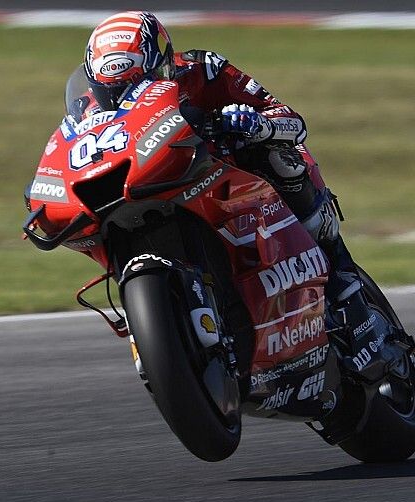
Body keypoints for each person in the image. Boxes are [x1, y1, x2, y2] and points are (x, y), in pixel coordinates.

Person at [82, 11, 373, 344]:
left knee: (280, 158)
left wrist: (257, 125)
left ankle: (343, 281)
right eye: (112, 90)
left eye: (134, 83)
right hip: (155, 186)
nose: (123, 96)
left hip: (228, 176)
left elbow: (291, 119)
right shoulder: (88, 110)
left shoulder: (203, 70)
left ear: (160, 64)